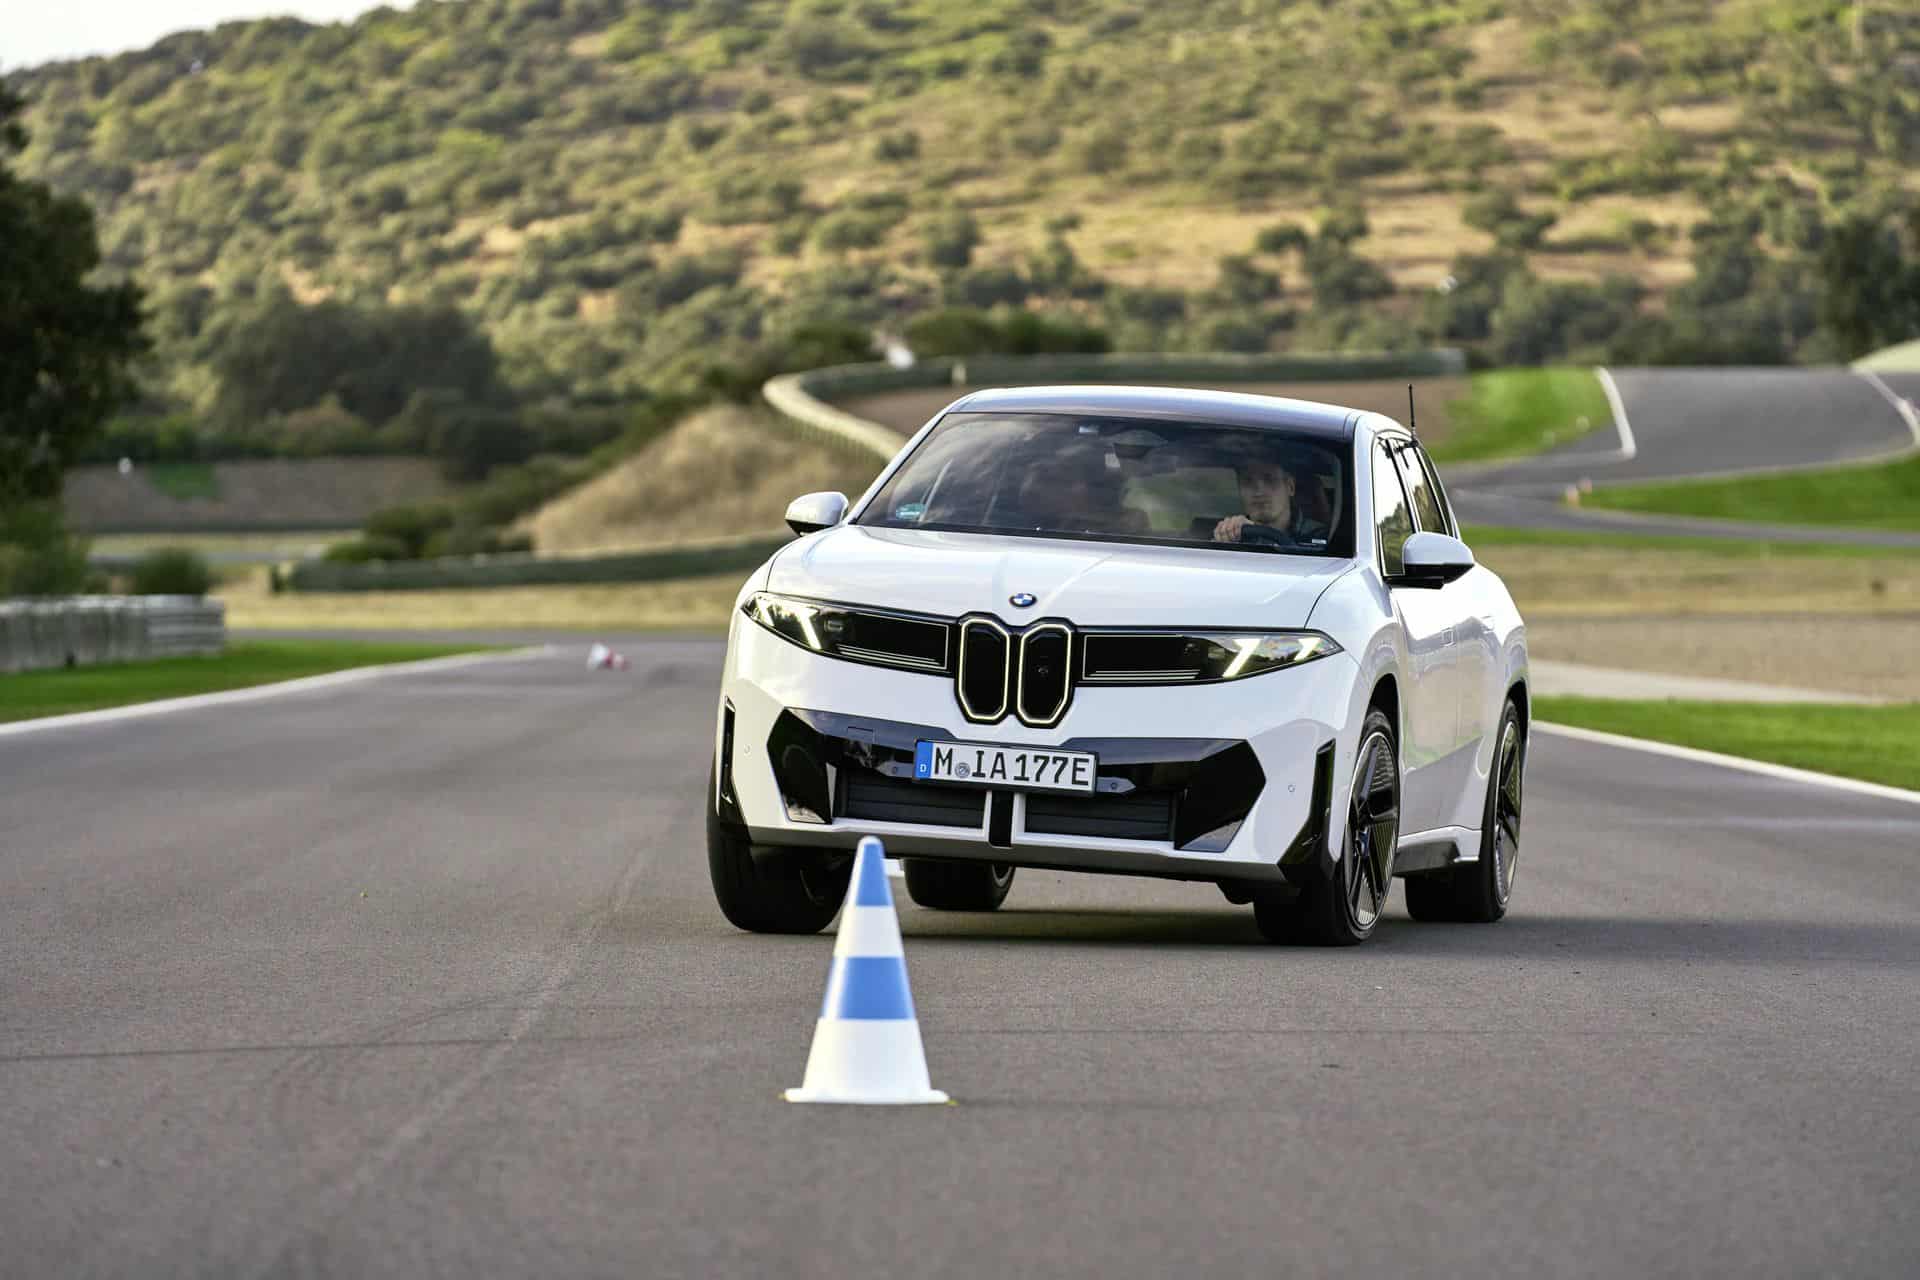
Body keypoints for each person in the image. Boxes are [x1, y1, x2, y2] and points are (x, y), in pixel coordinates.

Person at [1213, 455, 1327, 547]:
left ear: (1290, 487)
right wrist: (1225, 542)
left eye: (1269, 479)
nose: (1259, 492)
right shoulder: (1234, 535)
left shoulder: (1320, 536)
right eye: (1248, 481)